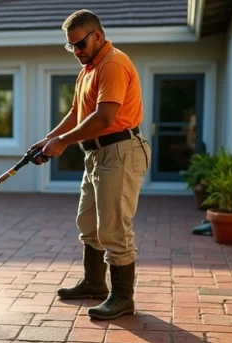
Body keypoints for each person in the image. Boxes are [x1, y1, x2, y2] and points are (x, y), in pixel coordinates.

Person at [31, 9, 150, 320]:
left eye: (80, 44)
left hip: (120, 151)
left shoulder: (112, 63)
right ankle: (94, 283)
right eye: (71, 47)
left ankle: (123, 297)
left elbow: (104, 118)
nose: (77, 52)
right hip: (96, 154)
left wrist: (62, 143)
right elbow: (77, 114)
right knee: (89, 223)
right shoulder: (89, 68)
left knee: (114, 228)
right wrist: (48, 139)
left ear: (97, 35)